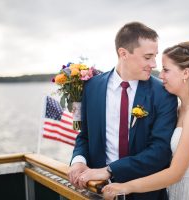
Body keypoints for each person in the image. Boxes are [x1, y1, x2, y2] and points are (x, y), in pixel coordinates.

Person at [102, 41, 189, 200]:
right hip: (178, 191)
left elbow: (175, 173)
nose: (160, 75)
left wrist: (125, 187)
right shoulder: (180, 109)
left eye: (166, 70)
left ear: (185, 73)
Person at [67, 22, 178, 200]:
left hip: (146, 194)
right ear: (123, 53)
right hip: (97, 192)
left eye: (154, 56)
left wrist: (109, 171)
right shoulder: (92, 87)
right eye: (148, 57)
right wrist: (78, 161)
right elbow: (85, 135)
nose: (154, 64)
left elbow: (161, 151)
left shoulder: (163, 94)